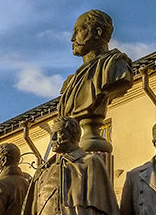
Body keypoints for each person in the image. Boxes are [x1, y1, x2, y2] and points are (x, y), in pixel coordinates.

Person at [56, 9, 133, 152]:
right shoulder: (70, 83)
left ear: (97, 32)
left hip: (93, 145)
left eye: (79, 30)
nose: (73, 38)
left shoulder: (115, 67)